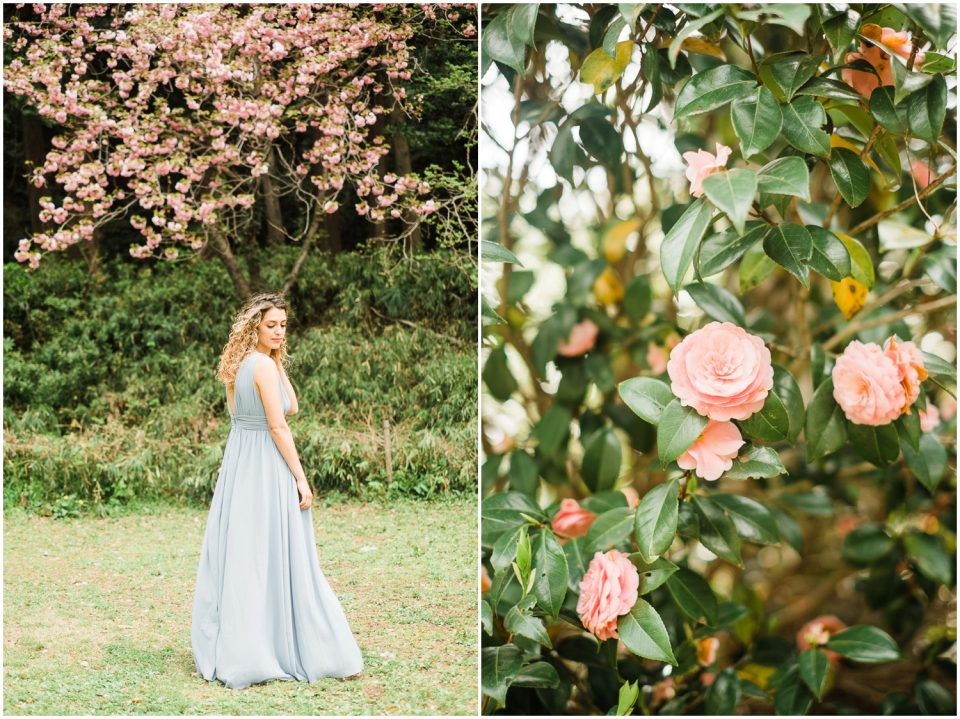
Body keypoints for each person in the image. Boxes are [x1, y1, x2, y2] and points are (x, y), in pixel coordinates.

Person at [191, 292, 364, 689]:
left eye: (283, 325)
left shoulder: (240, 365)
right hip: (267, 465)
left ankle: (249, 642)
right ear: (255, 326)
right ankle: (272, 648)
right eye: (271, 325)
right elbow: (278, 425)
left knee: (247, 553)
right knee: (277, 554)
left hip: (240, 466)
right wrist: (301, 477)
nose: (279, 331)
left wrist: (277, 358)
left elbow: (293, 406)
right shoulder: (261, 368)